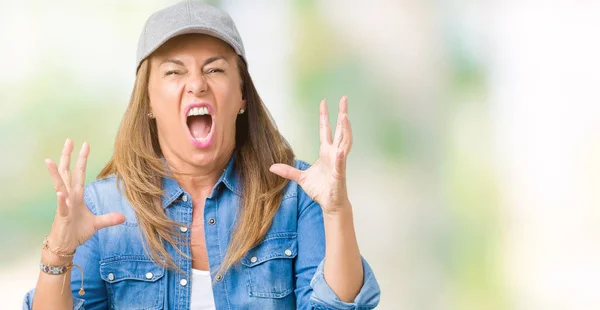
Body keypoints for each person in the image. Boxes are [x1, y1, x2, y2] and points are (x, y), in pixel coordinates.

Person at [23, 1, 380, 309]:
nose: (196, 83)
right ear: (148, 102)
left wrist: (337, 211)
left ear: (242, 96)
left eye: (214, 69)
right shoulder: (101, 208)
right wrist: (58, 253)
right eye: (174, 71)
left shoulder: (295, 197)